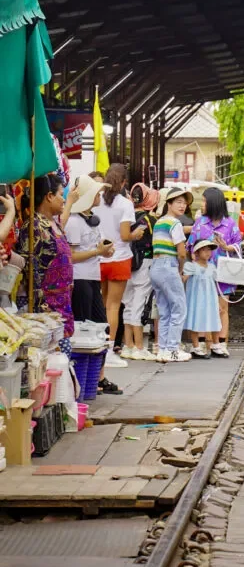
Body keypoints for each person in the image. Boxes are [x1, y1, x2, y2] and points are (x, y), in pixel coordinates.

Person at [64, 173, 122, 395]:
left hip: (93, 277)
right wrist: (98, 251)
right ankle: (83, 380)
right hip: (80, 279)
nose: (100, 196)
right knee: (84, 330)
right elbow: (71, 256)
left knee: (100, 329)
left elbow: (96, 249)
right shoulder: (75, 222)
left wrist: (104, 250)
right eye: (96, 192)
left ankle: (98, 376)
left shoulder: (92, 219)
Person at [93, 163, 145, 369]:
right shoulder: (124, 203)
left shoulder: (96, 201)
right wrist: (137, 234)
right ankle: (109, 348)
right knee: (113, 306)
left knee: (102, 304)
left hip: (98, 258)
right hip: (119, 258)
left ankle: (97, 347)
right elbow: (124, 236)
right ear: (124, 182)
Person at [17, 175, 76, 356]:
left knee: (63, 356)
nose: (64, 198)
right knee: (57, 354)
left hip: (62, 303)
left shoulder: (55, 224)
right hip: (44, 307)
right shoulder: (34, 227)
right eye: (60, 194)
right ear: (49, 196)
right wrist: (38, 313)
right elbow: (29, 271)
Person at [187, 187, 242, 358]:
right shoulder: (200, 223)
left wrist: (226, 247)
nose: (202, 204)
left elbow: (239, 244)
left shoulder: (230, 224)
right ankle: (203, 343)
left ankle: (221, 343)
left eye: (204, 201)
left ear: (213, 203)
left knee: (222, 308)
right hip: (203, 273)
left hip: (224, 272)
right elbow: (190, 245)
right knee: (203, 305)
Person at [150, 186, 192, 362]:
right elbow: (181, 252)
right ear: (169, 203)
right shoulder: (175, 224)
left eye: (184, 203)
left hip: (155, 267)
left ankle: (163, 350)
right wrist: (181, 269)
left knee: (165, 311)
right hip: (169, 265)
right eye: (179, 202)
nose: (182, 206)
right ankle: (173, 349)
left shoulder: (159, 222)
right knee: (179, 308)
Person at [120, 183, 159, 362]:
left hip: (127, 261)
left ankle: (127, 345)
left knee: (127, 303)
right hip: (145, 263)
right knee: (140, 303)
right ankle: (139, 347)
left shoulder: (126, 216)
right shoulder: (150, 221)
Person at [183, 239, 222, 357]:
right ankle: (196, 346)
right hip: (196, 299)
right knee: (195, 319)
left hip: (210, 298)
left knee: (214, 319)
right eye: (204, 250)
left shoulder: (212, 267)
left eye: (209, 250)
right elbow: (184, 279)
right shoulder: (191, 266)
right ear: (196, 252)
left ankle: (216, 344)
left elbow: (216, 283)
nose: (207, 253)